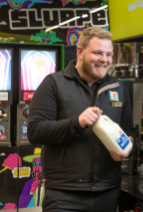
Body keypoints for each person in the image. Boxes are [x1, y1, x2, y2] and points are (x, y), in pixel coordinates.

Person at [27, 27, 135, 212]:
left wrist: (129, 146)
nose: (104, 60)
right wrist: (77, 123)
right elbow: (35, 132)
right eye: (97, 53)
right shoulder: (54, 84)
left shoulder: (118, 87)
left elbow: (129, 132)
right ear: (80, 51)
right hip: (64, 195)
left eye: (109, 54)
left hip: (107, 193)